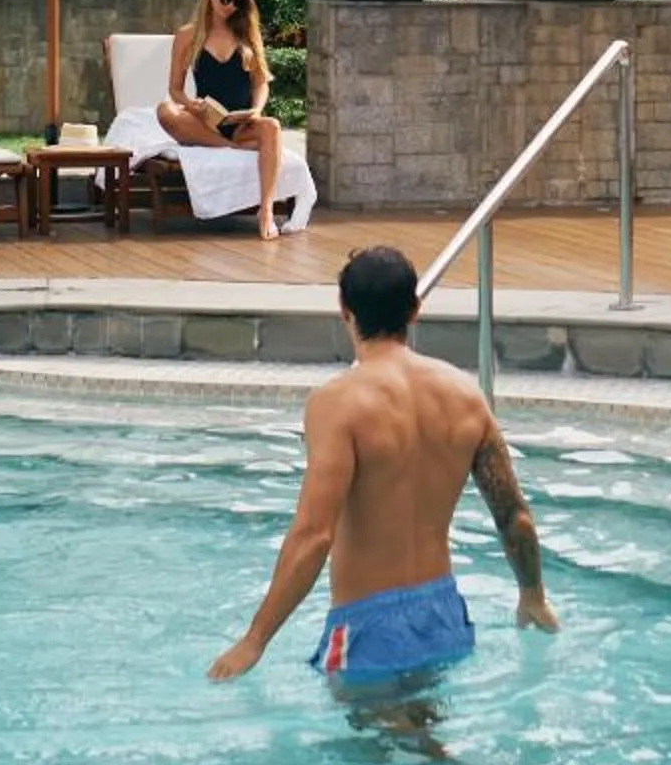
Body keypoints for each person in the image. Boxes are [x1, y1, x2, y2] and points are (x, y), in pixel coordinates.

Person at [207, 243, 558, 693]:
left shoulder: (337, 404)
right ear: (415, 309)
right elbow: (513, 514)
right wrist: (532, 595)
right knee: (419, 742)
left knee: (369, 752)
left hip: (367, 626)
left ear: (344, 310)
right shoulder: (465, 395)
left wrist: (253, 640)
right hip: (443, 612)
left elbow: (314, 534)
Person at [157, 0, 287, 240]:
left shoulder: (247, 32)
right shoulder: (187, 36)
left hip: (240, 122)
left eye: (237, 2)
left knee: (272, 126)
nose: (230, 6)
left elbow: (261, 82)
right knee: (165, 110)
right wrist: (193, 106)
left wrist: (256, 110)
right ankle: (231, 147)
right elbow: (175, 89)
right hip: (205, 121)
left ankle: (266, 210)